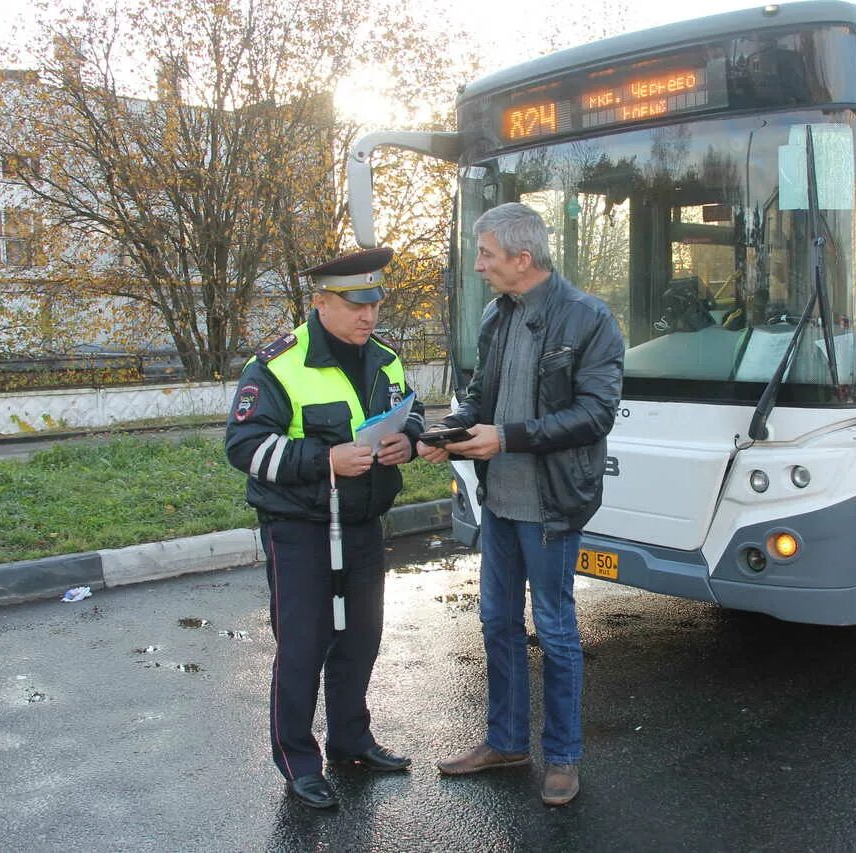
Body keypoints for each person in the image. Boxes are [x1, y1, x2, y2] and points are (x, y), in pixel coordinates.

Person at [417, 202, 624, 806]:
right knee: (497, 623)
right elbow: (482, 395)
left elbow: (594, 415)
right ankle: (506, 741)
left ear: (522, 259)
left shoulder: (589, 318)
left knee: (554, 631)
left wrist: (506, 437)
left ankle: (562, 757)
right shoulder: (496, 314)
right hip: (500, 502)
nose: (479, 265)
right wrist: (450, 434)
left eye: (486, 254)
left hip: (552, 504)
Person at [225, 246, 425, 809]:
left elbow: (411, 410)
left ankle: (350, 741)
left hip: (361, 521)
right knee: (303, 645)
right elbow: (245, 448)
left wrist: (406, 441)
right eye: (355, 304)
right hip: (300, 528)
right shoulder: (277, 364)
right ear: (320, 302)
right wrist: (325, 461)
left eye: (375, 303)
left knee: (361, 637)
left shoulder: (383, 357)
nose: (368, 316)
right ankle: (298, 762)